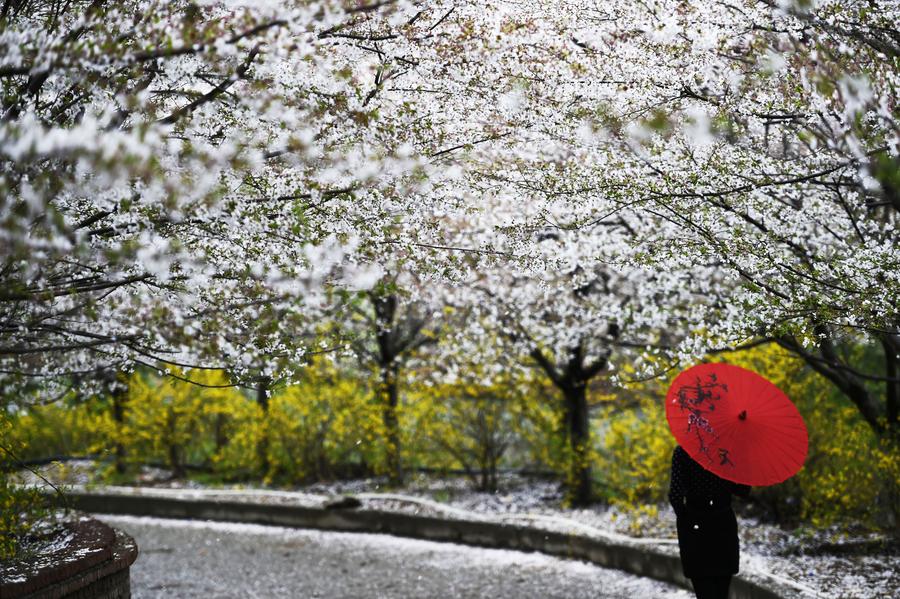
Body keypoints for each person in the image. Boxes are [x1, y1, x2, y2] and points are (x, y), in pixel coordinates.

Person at [668, 445, 751, 599]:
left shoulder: (684, 451)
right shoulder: (727, 452)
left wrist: (686, 519)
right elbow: (743, 490)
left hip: (695, 525)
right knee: (722, 590)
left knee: (703, 589)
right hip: (723, 523)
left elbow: (675, 495)